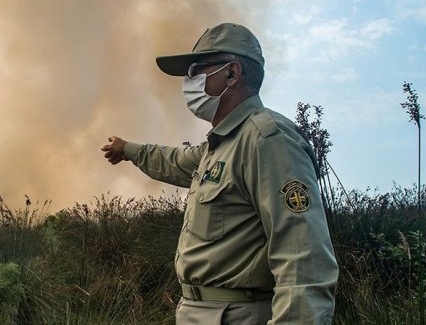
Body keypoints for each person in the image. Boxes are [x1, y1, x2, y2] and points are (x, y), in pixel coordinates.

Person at [101, 23, 338, 324]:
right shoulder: (221, 145)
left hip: (237, 315)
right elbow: (175, 160)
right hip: (201, 311)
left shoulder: (268, 140)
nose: (188, 82)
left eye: (197, 70)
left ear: (231, 73)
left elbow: (304, 257)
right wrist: (129, 149)